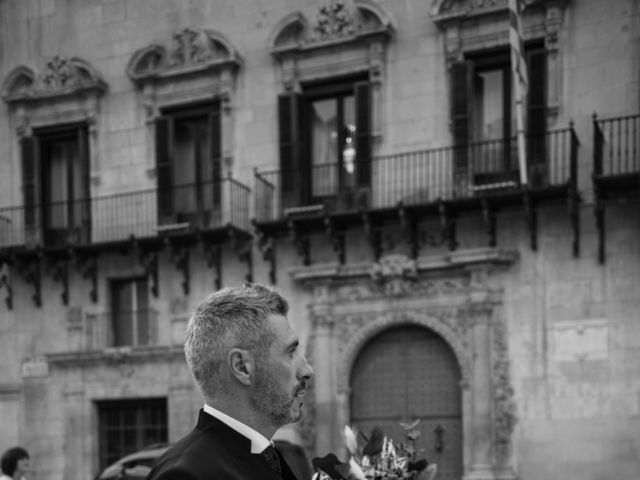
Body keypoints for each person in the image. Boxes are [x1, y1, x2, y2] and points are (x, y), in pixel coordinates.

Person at [147, 283, 314, 480]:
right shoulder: (186, 475)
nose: (307, 370)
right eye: (291, 352)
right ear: (242, 367)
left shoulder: (266, 457)